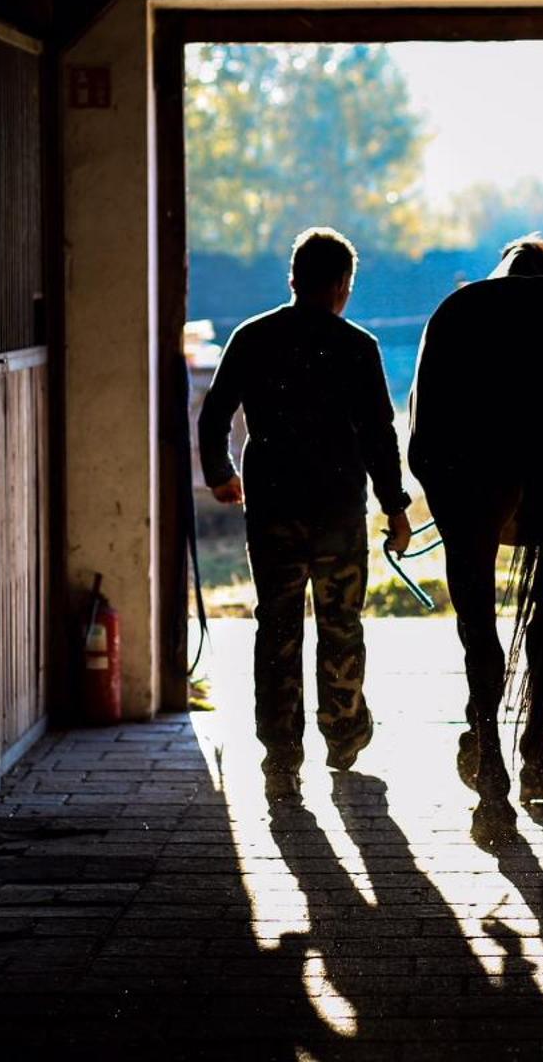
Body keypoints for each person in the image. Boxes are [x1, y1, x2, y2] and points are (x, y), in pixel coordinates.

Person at [198, 227, 414, 794]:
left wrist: (221, 473)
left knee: (278, 625)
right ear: (345, 285)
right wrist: (396, 508)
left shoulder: (252, 337)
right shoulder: (359, 348)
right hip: (339, 506)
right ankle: (343, 734)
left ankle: (281, 760)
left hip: (273, 505)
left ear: (292, 279)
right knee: (341, 622)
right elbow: (379, 437)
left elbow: (214, 414)